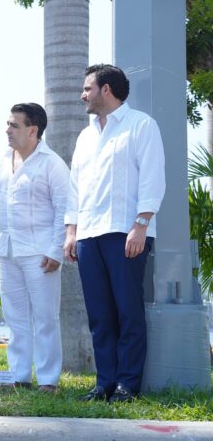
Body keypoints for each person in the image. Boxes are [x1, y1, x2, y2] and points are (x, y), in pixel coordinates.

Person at [64, 64, 166, 403]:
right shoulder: (85, 135)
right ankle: (104, 382)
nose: (83, 95)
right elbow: (75, 188)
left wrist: (141, 225)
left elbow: (153, 178)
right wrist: (71, 232)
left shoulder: (141, 126)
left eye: (88, 88)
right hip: (89, 235)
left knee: (128, 311)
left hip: (126, 232)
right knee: (99, 315)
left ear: (106, 89)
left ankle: (127, 384)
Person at [0, 103, 69, 393]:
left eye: (14, 125)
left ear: (33, 130)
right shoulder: (1, 161)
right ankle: (18, 374)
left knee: (46, 317)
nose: (7, 130)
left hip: (40, 252)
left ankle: (48, 380)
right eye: (8, 124)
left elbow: (64, 209)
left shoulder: (52, 163)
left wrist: (56, 250)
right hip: (9, 251)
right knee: (15, 316)